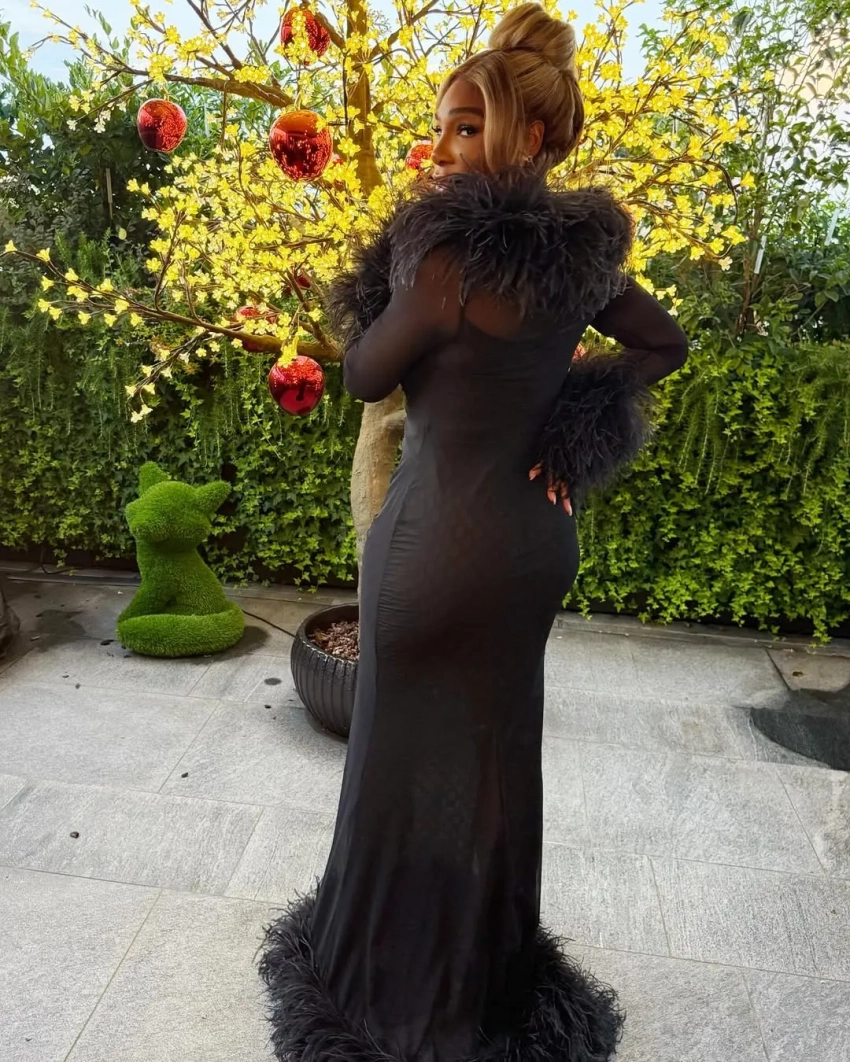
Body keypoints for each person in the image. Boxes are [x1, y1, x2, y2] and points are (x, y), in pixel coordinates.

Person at [260, 4, 688, 1060]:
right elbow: (662, 344)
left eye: (462, 127)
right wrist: (574, 419)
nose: (440, 147)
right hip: (530, 544)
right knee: (495, 761)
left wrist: (391, 270)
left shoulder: (444, 261)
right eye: (441, 125)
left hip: (434, 546)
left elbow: (365, 375)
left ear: (527, 136)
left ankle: (386, 989)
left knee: (397, 759)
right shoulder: (584, 262)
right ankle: (485, 985)